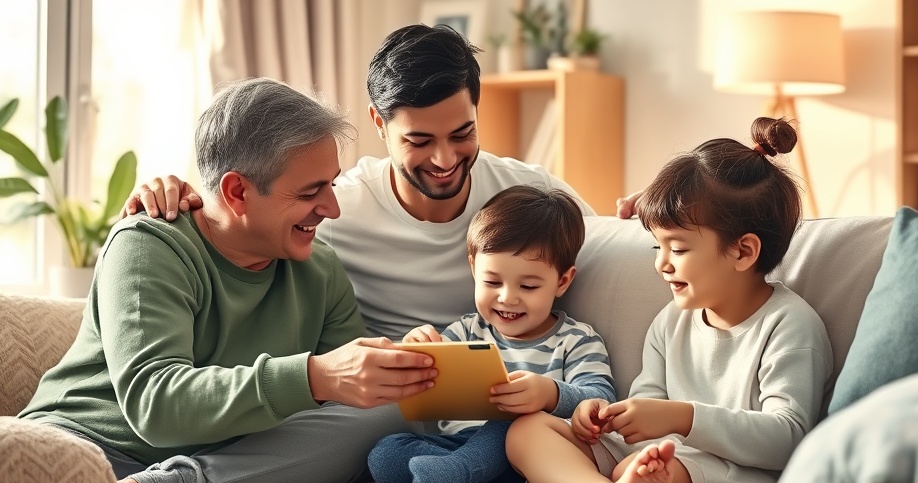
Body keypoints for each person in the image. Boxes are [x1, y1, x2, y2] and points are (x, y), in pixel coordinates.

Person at [19, 77, 439, 483]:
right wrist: (316, 376)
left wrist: (400, 371)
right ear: (237, 192)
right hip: (91, 454)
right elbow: (156, 405)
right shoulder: (149, 243)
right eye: (311, 191)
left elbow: (352, 398)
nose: (331, 208)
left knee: (390, 413)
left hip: (209, 459)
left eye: (331, 185)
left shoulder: (320, 268)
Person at [120, 24, 647, 342]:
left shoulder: (530, 194)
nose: (444, 159)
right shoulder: (334, 208)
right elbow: (245, 218)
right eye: (419, 140)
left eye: (462, 133)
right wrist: (174, 194)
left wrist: (655, 215)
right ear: (378, 122)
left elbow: (602, 240)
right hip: (380, 407)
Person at [504, 117, 835, 483]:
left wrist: (682, 418)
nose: (662, 264)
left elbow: (788, 436)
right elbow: (647, 402)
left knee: (645, 470)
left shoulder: (789, 325)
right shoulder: (670, 321)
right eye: (656, 248)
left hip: (728, 465)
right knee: (527, 430)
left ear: (743, 252)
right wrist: (608, 418)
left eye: (677, 250)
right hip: (654, 453)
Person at [366, 185, 616, 483]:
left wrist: (549, 394)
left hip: (531, 447)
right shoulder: (467, 330)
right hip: (463, 440)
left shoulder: (577, 340)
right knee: (385, 456)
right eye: (492, 282)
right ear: (474, 268)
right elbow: (427, 375)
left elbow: (601, 397)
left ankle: (461, 471)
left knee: (512, 421)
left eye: (527, 286)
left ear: (562, 281)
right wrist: (417, 346)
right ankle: (470, 469)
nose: (507, 298)